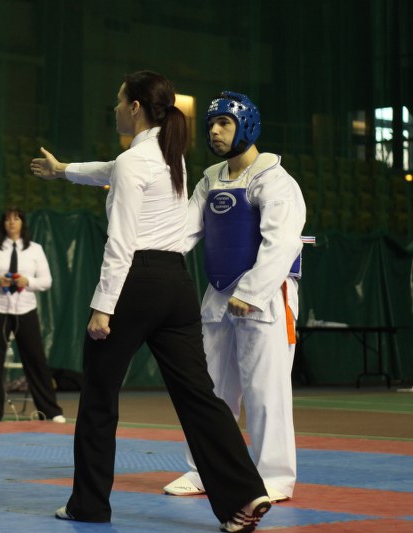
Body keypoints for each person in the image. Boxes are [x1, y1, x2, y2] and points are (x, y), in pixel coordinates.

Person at [30, 70, 271, 532]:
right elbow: (111, 170)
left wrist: (104, 305)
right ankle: (244, 493)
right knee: (199, 395)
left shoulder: (135, 162)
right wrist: (64, 171)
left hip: (134, 284)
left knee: (99, 398)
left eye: (120, 101)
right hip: (176, 285)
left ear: (136, 107)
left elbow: (119, 242)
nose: (116, 108)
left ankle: (89, 505)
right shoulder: (170, 155)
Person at [159, 92, 306, 502]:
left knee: (265, 388)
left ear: (248, 126)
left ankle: (274, 476)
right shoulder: (210, 179)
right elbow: (184, 232)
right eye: (210, 125)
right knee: (209, 388)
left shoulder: (275, 180)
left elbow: (282, 242)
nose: (215, 131)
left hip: (266, 297)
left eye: (223, 123)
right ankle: (203, 468)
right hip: (219, 293)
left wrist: (253, 291)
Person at [0, 207, 66, 424]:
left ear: (23, 223)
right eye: (7, 220)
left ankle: (50, 410)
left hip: (25, 309)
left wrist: (28, 282)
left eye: (16, 219)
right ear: (3, 224)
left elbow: (46, 282)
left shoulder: (35, 249)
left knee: (36, 360)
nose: (12, 223)